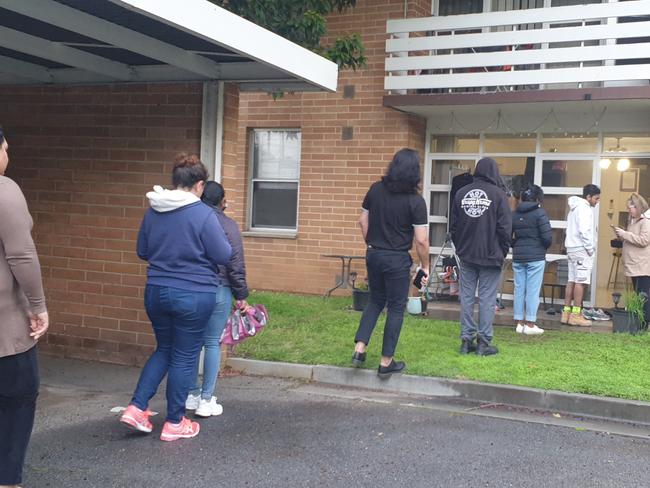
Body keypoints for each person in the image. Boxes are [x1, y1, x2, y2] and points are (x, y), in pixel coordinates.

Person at [120, 154, 231, 442]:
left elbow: (142, 250)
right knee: (185, 355)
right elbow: (223, 255)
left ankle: (137, 407)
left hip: (156, 290)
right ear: (200, 185)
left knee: (165, 349)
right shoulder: (203, 214)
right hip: (194, 294)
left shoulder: (153, 210)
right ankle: (175, 422)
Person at [352, 148, 429, 377]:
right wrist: (425, 266)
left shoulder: (375, 190)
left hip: (373, 253)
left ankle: (359, 348)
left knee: (375, 301)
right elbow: (422, 241)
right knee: (396, 307)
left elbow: (362, 220)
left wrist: (373, 243)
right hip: (396, 259)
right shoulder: (416, 201)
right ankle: (386, 362)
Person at [0, 126, 49, 488]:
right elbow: (21, 254)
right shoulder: (4, 191)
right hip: (5, 326)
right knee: (17, 401)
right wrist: (39, 306)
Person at [186, 181, 249, 417]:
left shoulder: (191, 220)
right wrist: (241, 294)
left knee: (192, 342)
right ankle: (206, 400)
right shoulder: (228, 225)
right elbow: (235, 263)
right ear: (222, 201)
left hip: (193, 287)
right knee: (212, 342)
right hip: (219, 287)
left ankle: (191, 394)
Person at [451, 157, 511, 356]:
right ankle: (484, 342)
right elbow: (505, 228)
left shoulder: (461, 193)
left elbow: (454, 227)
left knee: (466, 297)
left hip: (467, 255)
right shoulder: (499, 195)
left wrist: (461, 247)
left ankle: (466, 341)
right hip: (491, 255)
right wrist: (502, 250)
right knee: (487, 299)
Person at [511, 185, 552, 336]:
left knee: (519, 289)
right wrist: (541, 248)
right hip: (535, 257)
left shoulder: (514, 214)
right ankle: (530, 323)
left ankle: (519, 323)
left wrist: (516, 245)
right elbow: (547, 237)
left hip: (518, 257)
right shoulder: (540, 213)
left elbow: (508, 236)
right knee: (532, 291)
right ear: (537, 198)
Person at [562, 184, 600, 327]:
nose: (597, 201)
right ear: (588, 197)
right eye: (596, 198)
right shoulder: (584, 208)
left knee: (571, 280)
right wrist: (590, 249)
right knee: (581, 282)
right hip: (581, 249)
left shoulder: (574, 208)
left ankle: (566, 313)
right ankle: (576, 314)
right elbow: (584, 231)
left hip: (571, 248)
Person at [613, 193, 650, 325]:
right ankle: (641, 322)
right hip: (634, 265)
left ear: (638, 207)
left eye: (631, 208)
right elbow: (632, 238)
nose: (629, 210)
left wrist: (625, 234)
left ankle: (645, 322)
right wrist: (622, 235)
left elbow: (644, 240)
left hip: (642, 266)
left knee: (644, 296)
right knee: (639, 294)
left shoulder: (645, 222)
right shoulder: (632, 221)